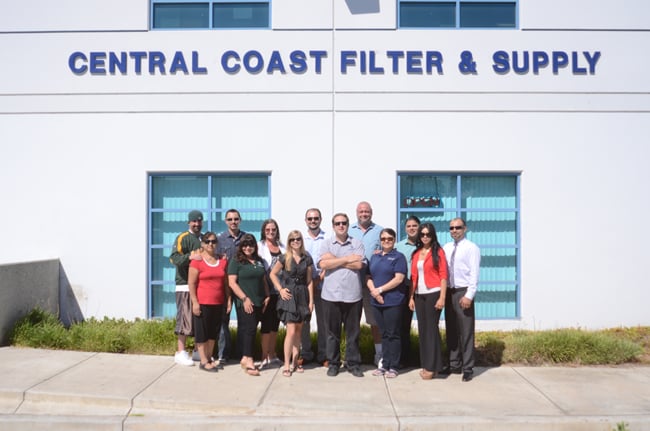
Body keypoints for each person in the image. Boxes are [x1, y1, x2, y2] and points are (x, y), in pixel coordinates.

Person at [318, 213, 366, 378]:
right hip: (330, 295)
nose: (341, 225)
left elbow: (358, 265)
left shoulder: (357, 243)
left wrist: (334, 260)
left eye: (344, 223)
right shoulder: (326, 243)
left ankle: (353, 364)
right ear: (333, 226)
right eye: (337, 223)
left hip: (353, 295)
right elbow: (323, 264)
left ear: (348, 224)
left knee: (353, 333)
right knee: (332, 333)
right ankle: (333, 363)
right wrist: (347, 259)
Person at [270, 230, 314, 377]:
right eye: (292, 239)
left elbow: (309, 281)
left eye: (298, 239)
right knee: (291, 331)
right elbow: (272, 274)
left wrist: (311, 301)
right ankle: (287, 364)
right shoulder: (284, 258)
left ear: (301, 240)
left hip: (302, 296)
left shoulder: (307, 258)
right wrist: (280, 289)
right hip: (289, 296)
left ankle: (296, 361)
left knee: (299, 332)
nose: (295, 241)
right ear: (289, 242)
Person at [443, 218, 481, 382]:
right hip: (449, 291)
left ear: (465, 229)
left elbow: (474, 273)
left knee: (466, 331)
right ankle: (454, 364)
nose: (454, 230)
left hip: (463, 291)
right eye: (451, 228)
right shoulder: (446, 247)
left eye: (458, 227)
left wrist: (469, 295)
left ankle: (468, 368)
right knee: (451, 330)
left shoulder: (471, 248)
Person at [227, 234, 271, 376]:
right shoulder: (236, 261)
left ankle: (245, 358)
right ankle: (249, 359)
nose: (247, 248)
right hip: (245, 302)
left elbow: (263, 279)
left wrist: (267, 295)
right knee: (250, 330)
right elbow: (232, 283)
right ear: (241, 247)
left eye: (250, 245)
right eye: (245, 245)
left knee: (252, 329)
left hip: (259, 301)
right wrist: (244, 298)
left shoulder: (259, 260)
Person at [366, 228, 408, 378]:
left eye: (389, 238)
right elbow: (368, 276)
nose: (386, 241)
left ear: (394, 240)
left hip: (392, 301)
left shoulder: (399, 257)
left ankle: (394, 366)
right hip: (377, 302)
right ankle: (384, 364)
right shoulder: (375, 257)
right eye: (383, 239)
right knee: (383, 334)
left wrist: (380, 290)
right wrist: (374, 291)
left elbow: (399, 279)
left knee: (393, 334)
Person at [409, 222, 448, 380]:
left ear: (433, 236)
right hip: (419, 295)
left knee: (431, 330)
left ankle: (431, 368)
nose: (425, 237)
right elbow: (413, 277)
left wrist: (442, 297)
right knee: (423, 330)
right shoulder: (416, 253)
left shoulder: (438, 252)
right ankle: (428, 365)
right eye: (422, 234)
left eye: (428, 234)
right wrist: (411, 297)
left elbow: (444, 275)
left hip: (434, 293)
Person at [348, 201, 384, 367]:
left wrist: (381, 252)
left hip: (372, 283)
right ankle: (352, 356)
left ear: (371, 212)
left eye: (367, 211)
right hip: (352, 281)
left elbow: (387, 250)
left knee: (375, 321)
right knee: (352, 322)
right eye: (361, 211)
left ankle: (379, 354)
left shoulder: (379, 231)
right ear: (357, 213)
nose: (364, 214)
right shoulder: (349, 230)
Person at [188, 232, 229, 372]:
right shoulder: (197, 261)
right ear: (202, 244)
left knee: (213, 333)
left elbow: (225, 283)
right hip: (202, 303)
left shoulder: (222, 261)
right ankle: (203, 361)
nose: (210, 244)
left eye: (213, 241)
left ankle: (209, 357)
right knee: (202, 333)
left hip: (218, 303)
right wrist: (195, 302)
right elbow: (191, 283)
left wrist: (228, 299)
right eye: (207, 241)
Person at [169, 210, 203, 366]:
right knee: (184, 318)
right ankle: (181, 352)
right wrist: (190, 257)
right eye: (194, 221)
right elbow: (173, 258)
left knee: (198, 320)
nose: (196, 224)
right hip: (184, 285)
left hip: (201, 286)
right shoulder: (182, 237)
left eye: (199, 221)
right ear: (189, 222)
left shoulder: (204, 239)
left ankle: (197, 351)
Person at [216, 209, 245, 365]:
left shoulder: (246, 238)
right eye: (230, 219)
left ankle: (242, 354)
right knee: (223, 321)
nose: (233, 222)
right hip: (224, 286)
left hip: (241, 286)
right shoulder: (219, 240)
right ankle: (223, 354)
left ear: (240, 220)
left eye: (236, 219)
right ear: (226, 221)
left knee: (243, 321)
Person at [301, 208, 328, 366]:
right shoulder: (301, 239)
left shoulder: (327, 238)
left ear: (320, 219)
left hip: (324, 286)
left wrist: (319, 279)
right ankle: (306, 353)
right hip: (304, 288)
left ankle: (323, 355)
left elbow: (329, 261)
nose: (313, 221)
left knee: (324, 323)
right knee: (304, 322)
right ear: (306, 220)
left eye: (316, 218)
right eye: (310, 219)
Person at [257, 219, 285, 369]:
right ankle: (264, 356)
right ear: (263, 231)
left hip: (279, 292)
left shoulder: (283, 247)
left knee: (275, 325)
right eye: (267, 229)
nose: (271, 232)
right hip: (266, 292)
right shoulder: (259, 247)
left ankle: (272, 355)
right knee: (266, 326)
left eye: (273, 229)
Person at [395, 215, 420, 368]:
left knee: (427, 325)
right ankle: (403, 359)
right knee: (403, 324)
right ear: (405, 229)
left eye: (414, 225)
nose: (411, 228)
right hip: (404, 288)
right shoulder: (398, 246)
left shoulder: (425, 245)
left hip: (422, 289)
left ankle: (425, 358)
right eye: (409, 226)